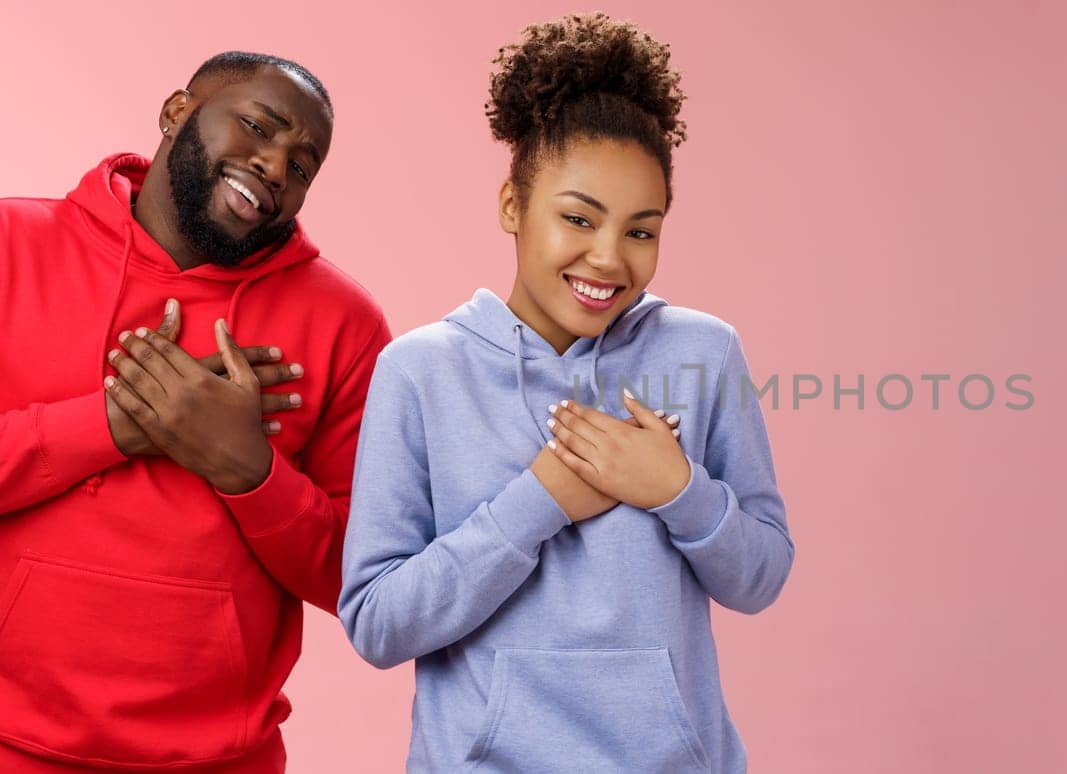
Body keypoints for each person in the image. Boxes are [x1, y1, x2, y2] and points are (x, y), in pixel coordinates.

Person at [338, 13, 795, 772]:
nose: (608, 257)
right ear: (513, 207)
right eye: (578, 218)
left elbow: (762, 577)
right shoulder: (420, 371)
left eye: (641, 231)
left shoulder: (703, 352)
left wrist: (677, 489)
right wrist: (539, 501)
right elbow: (378, 623)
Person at [0, 52, 389, 772]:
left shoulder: (345, 324)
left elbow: (360, 578)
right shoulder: (12, 245)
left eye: (302, 165)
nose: (275, 166)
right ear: (177, 111)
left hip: (217, 761)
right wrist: (114, 425)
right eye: (257, 127)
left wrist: (247, 468)